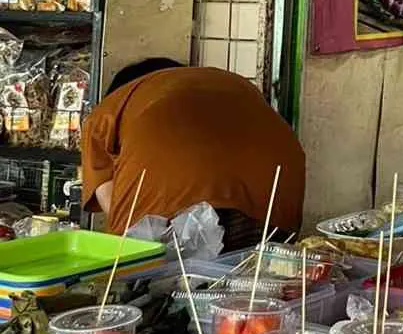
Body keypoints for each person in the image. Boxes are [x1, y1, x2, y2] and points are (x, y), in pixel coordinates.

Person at [81, 59, 305, 251]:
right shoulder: (225, 83)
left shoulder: (109, 109)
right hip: (273, 182)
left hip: (170, 188)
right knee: (250, 280)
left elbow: (110, 198)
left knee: (150, 280)